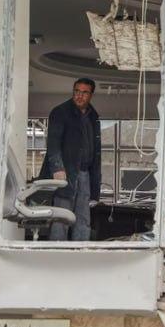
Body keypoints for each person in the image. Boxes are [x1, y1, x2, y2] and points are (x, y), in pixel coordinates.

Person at [39, 78, 101, 240]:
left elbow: (96, 151)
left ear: (91, 95)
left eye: (84, 92)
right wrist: (58, 168)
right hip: (65, 173)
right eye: (77, 91)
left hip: (85, 173)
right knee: (62, 217)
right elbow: (53, 144)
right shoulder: (60, 112)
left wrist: (96, 184)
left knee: (83, 218)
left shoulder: (93, 116)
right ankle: (57, 251)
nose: (79, 96)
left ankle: (81, 251)